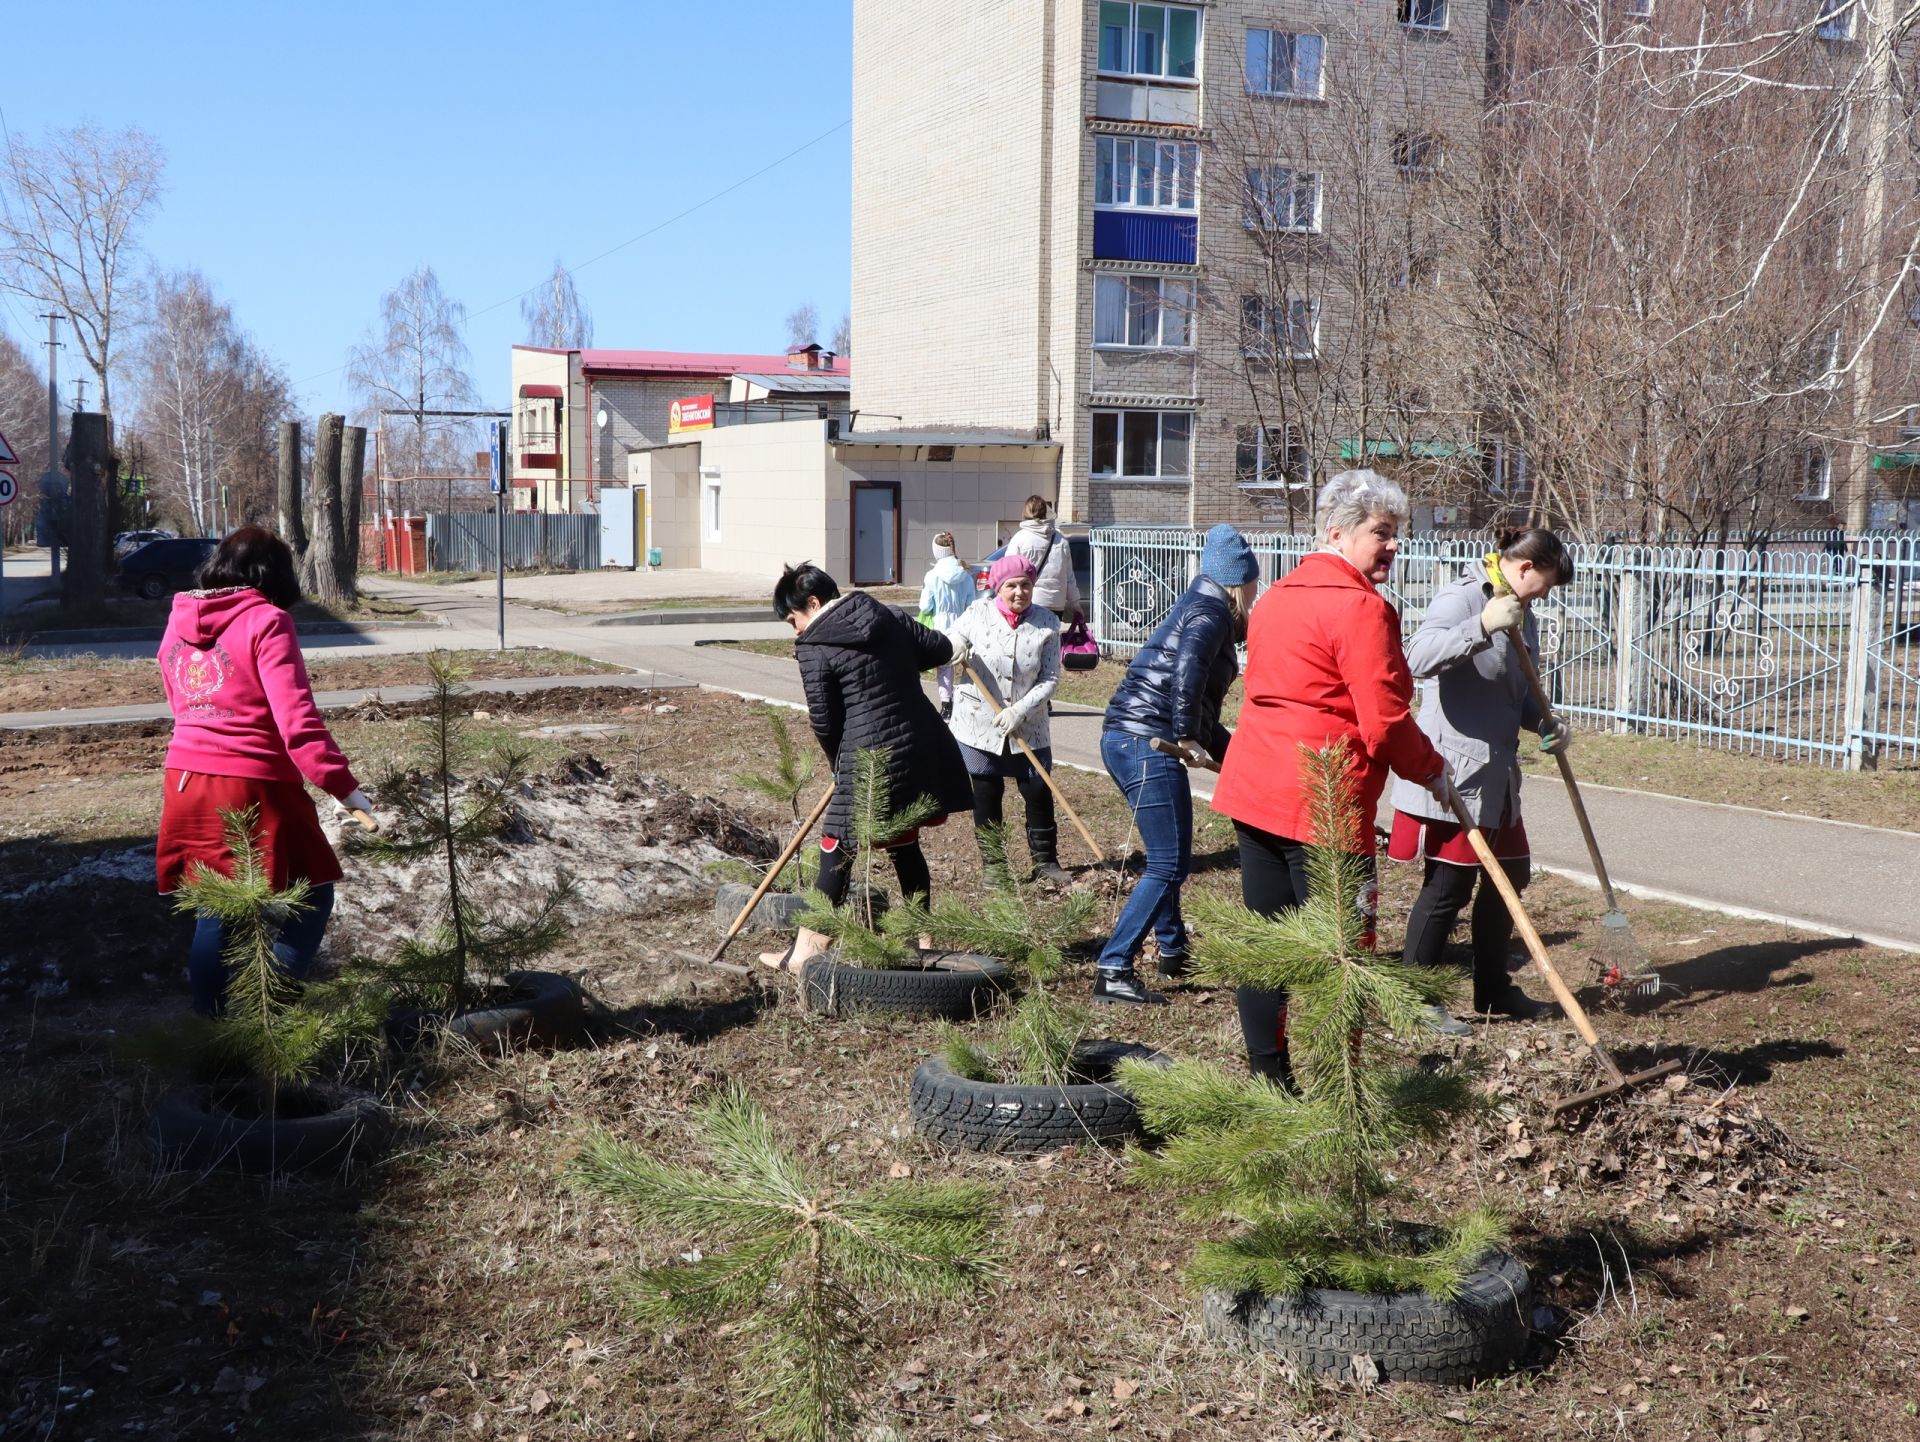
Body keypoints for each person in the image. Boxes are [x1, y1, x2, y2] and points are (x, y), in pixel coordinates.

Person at [1210, 471, 1450, 1081]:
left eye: (1397, 534)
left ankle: (1272, 1081)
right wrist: (1432, 772)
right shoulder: (1361, 608)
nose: (1394, 546)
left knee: (1271, 947)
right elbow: (1386, 722)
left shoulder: (1276, 597)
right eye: (1382, 534)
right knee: (1344, 952)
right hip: (1322, 797)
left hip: (1257, 788)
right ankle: (1344, 1088)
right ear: (1337, 533)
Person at [155, 526, 373, 1017]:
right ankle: (268, 1016)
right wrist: (342, 786)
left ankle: (213, 1027)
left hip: (184, 780)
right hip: (251, 785)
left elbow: (179, 702)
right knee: (311, 897)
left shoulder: (177, 620)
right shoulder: (267, 620)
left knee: (218, 906)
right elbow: (296, 720)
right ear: (275, 573)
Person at [1387, 527, 1577, 1021]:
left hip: (1498, 778)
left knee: (1510, 874)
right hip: (1453, 774)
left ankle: (1492, 991)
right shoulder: (1462, 597)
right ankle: (1416, 1000)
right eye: (1547, 583)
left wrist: (1546, 722)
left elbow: (1515, 694)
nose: (1546, 594)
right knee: (1448, 886)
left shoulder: (1521, 610)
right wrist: (1482, 626)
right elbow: (1416, 659)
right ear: (1524, 567)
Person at [763, 562, 974, 971]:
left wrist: (836, 764)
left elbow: (824, 719)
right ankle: (919, 937)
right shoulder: (887, 613)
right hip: (918, 743)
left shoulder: (814, 644)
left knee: (836, 846)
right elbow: (938, 650)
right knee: (903, 840)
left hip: (868, 752)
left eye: (794, 620)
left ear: (812, 602)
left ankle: (807, 952)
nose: (796, 630)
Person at [1093, 523, 1258, 1005]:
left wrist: (1238, 761)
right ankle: (1114, 966)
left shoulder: (1201, 606)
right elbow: (1186, 679)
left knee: (1168, 856)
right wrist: (1186, 735)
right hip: (1149, 741)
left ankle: (1172, 950)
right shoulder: (1209, 614)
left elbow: (1201, 703)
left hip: (1131, 736)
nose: (1256, 591)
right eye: (1253, 582)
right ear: (1238, 581)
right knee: (1169, 862)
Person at [945, 552, 1068, 886]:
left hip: (1029, 725)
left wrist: (1020, 710)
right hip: (979, 725)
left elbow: (1050, 678)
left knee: (1037, 788)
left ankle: (1045, 863)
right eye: (1011, 586)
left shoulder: (1046, 622)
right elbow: (953, 638)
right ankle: (995, 867)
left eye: (1026, 585)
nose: (1019, 592)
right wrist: (955, 645)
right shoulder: (977, 613)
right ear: (998, 587)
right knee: (987, 792)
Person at [918, 531, 974, 720]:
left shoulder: (932, 576)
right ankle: (972, 700)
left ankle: (946, 704)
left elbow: (925, 606)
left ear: (936, 552)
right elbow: (971, 603)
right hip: (962, 623)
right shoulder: (965, 574)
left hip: (941, 624)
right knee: (968, 663)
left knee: (944, 666)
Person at [1004, 495, 1081, 620]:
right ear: (1045, 513)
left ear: (1025, 513)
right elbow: (1069, 577)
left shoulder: (1019, 539)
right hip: (1056, 604)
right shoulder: (1061, 540)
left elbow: (1008, 573)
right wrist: (1076, 604)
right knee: (1051, 639)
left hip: (1029, 602)